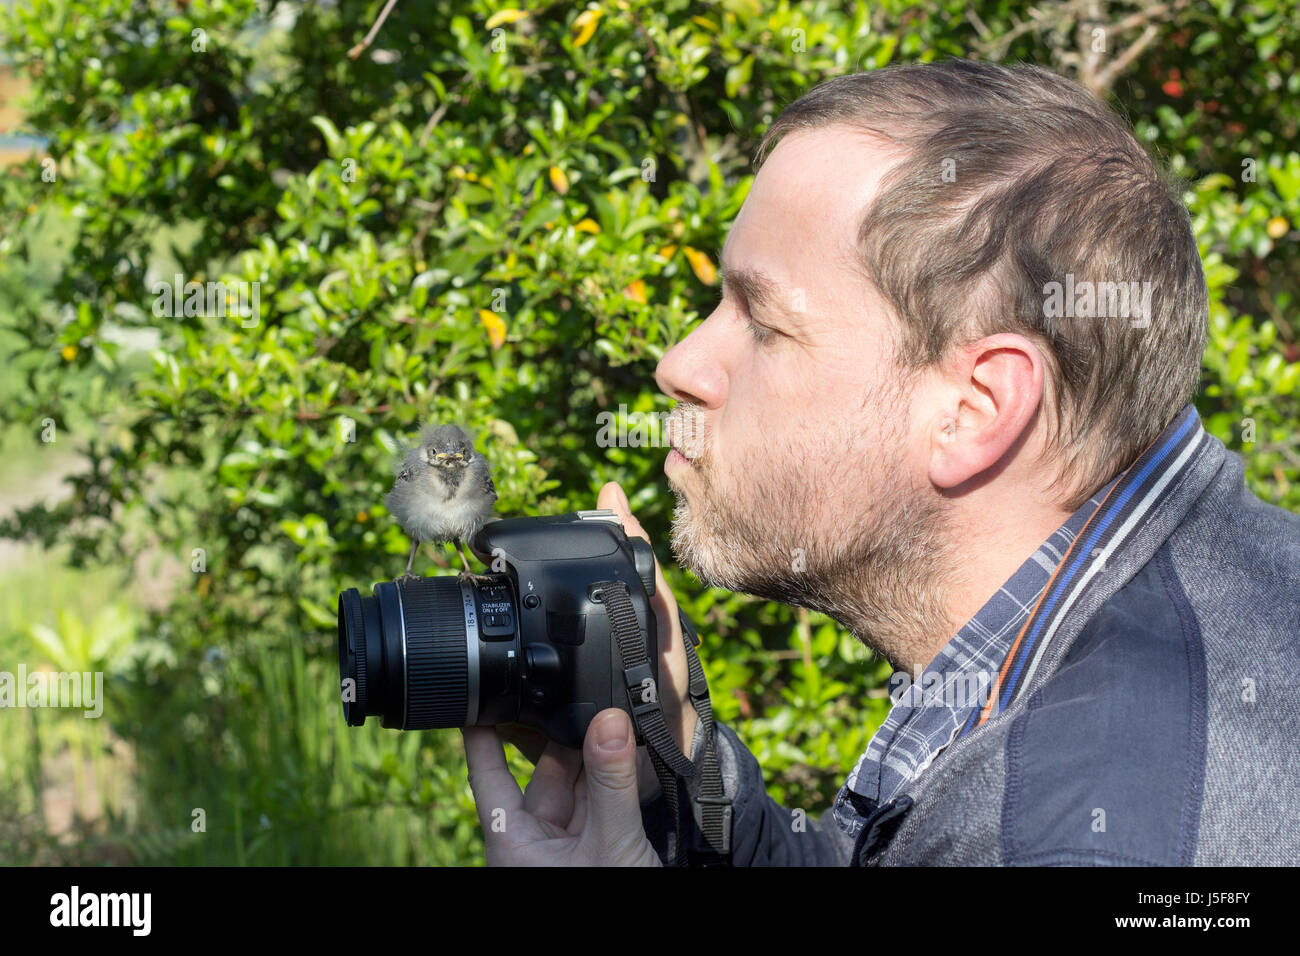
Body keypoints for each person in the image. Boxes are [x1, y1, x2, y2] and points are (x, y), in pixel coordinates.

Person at [461, 59, 1300, 866]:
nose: (679, 364)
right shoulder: (1204, 594)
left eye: (764, 323)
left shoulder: (1083, 835)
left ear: (974, 409)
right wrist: (673, 768)